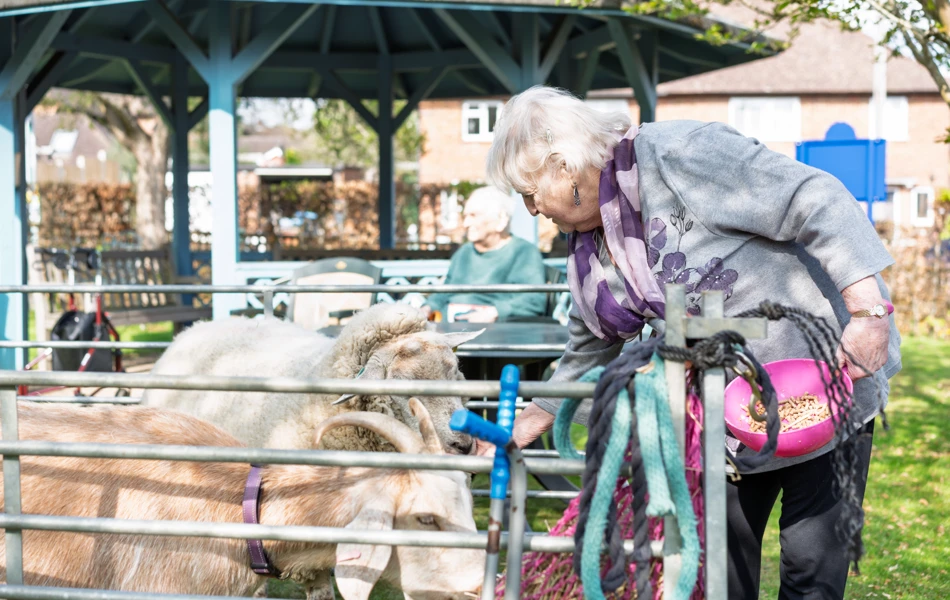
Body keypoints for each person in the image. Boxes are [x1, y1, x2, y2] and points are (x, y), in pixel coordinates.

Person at [479, 86, 901, 600]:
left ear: (562, 165)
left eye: (529, 192)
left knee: (811, 566)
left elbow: (814, 198)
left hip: (823, 378)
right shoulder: (589, 244)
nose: (529, 209)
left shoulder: (681, 153)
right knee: (720, 572)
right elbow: (592, 343)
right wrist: (533, 419)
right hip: (722, 415)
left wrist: (868, 313)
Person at [422, 186, 547, 323]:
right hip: (449, 329)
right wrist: (428, 307)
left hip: (494, 333)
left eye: (474, 216)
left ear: (501, 220)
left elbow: (534, 300)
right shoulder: (464, 252)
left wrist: (495, 313)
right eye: (465, 216)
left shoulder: (523, 252)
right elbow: (445, 292)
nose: (466, 223)